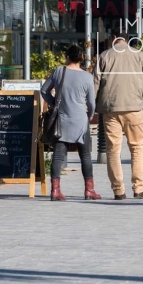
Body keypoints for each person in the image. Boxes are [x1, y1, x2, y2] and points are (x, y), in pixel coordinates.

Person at [94, 34, 143, 200]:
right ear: (127, 39)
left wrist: (93, 105)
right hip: (134, 107)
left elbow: (95, 83)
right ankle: (139, 188)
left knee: (113, 150)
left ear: (114, 37)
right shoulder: (139, 55)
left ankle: (118, 191)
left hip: (110, 109)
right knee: (137, 147)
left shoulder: (104, 56)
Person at [40, 45, 98, 201]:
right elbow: (91, 103)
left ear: (67, 57)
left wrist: (54, 103)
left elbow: (44, 90)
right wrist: (89, 115)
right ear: (82, 58)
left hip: (62, 120)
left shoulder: (59, 71)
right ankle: (89, 190)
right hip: (80, 121)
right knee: (85, 155)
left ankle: (55, 190)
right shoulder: (87, 77)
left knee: (58, 154)